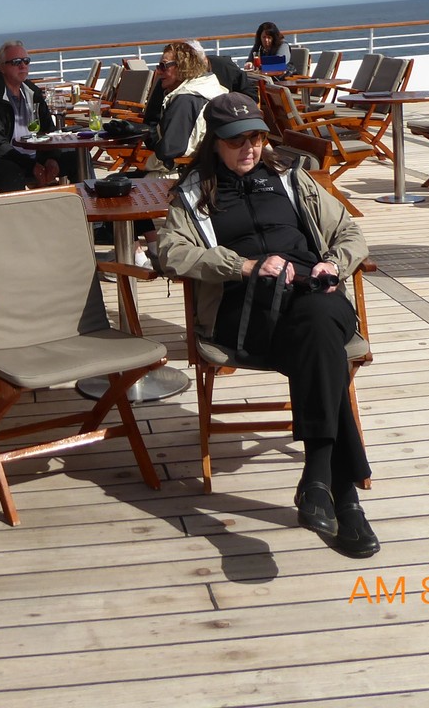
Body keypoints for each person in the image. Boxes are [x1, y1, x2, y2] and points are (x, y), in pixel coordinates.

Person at [151, 92, 378, 558]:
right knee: (320, 343)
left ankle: (320, 480)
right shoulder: (194, 195)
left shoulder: (292, 179)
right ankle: (341, 493)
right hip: (248, 311)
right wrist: (242, 266)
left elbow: (350, 232)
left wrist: (334, 264)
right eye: (237, 141)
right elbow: (170, 252)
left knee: (318, 318)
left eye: (255, 138)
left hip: (315, 292)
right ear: (215, 142)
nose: (249, 149)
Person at [0, 39, 61, 192]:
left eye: (26, 61)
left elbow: (49, 130)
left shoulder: (33, 93)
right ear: (1, 67)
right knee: (11, 173)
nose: (23, 66)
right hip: (2, 158)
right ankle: (18, 208)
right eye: (16, 62)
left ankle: (87, 204)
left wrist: (51, 158)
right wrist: (30, 165)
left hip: (35, 156)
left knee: (76, 159)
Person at [146, 41, 226, 171]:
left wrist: (147, 136)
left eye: (163, 66)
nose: (158, 71)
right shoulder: (207, 87)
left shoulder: (186, 100)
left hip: (182, 173)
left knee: (115, 181)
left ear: (182, 67)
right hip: (208, 167)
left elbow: (170, 150)